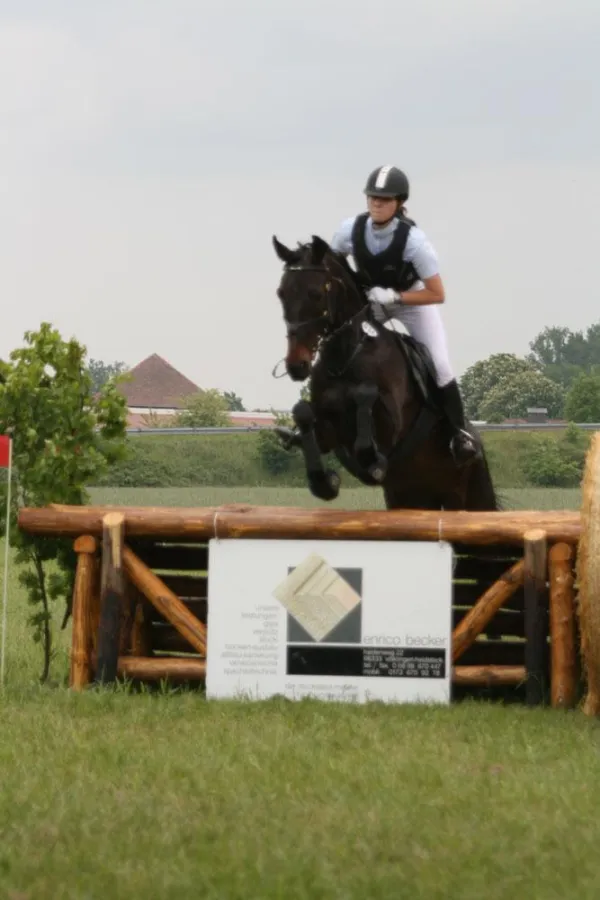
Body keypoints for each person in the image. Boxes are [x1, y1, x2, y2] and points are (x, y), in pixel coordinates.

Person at [329, 164, 480, 465]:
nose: (376, 203)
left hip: (413, 303)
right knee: (341, 347)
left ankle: (459, 434)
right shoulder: (349, 231)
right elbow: (334, 267)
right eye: (372, 197)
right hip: (373, 301)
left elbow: (437, 293)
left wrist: (396, 296)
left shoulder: (415, 242)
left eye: (384, 199)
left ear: (399, 203)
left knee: (440, 365)